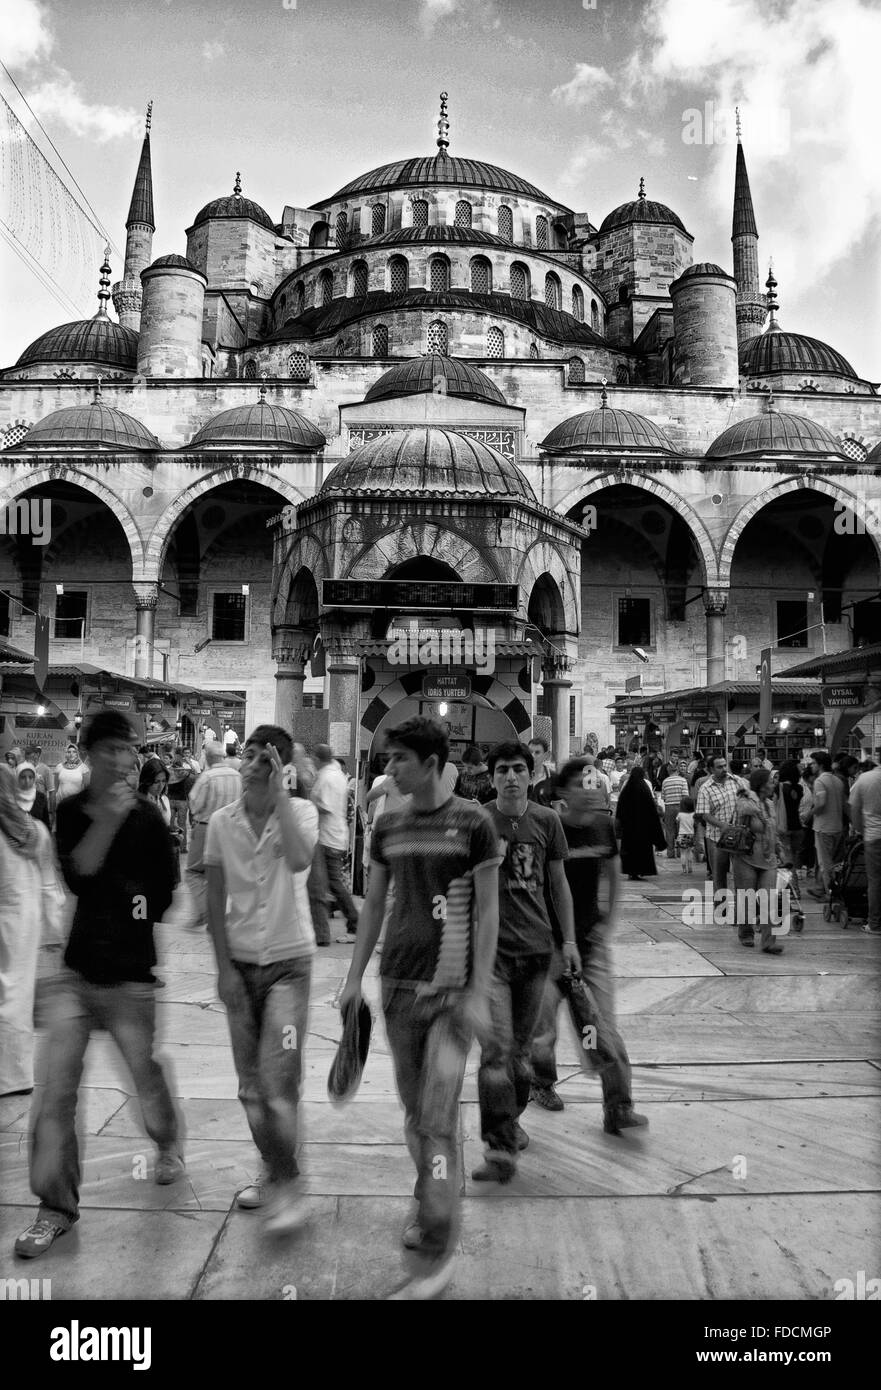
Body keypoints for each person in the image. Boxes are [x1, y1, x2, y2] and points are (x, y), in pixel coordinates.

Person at [340, 716, 500, 1300]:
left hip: (452, 993)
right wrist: (353, 978)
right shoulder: (388, 826)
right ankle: (429, 1188)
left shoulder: (474, 823)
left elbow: (487, 914)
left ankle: (439, 1240)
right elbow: (374, 905)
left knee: (436, 1116)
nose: (389, 770)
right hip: (399, 986)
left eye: (398, 760)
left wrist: (479, 990)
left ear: (432, 762)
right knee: (416, 1115)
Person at [14, 711, 183, 1260]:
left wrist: (134, 906)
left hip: (132, 977)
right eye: (110, 749)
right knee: (55, 1093)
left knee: (145, 1078)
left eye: (128, 750)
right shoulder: (70, 811)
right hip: (77, 974)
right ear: (89, 754)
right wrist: (110, 821)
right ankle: (54, 1207)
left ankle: (165, 1141)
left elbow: (164, 891)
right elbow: (78, 876)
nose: (122, 759)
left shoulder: (150, 820)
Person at [205, 724, 319, 1235]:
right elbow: (213, 897)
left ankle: (287, 1178)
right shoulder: (222, 822)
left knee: (277, 1084)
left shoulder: (300, 814)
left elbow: (298, 861)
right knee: (251, 1088)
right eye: (246, 754)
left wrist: (279, 799)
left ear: (281, 767)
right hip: (241, 965)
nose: (251, 762)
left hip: (289, 967)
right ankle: (274, 1169)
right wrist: (223, 968)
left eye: (264, 757)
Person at [476, 741, 579, 1182]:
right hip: (491, 956)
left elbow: (558, 886)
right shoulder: (478, 820)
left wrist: (569, 940)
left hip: (537, 953)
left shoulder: (548, 821)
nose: (511, 777)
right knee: (495, 1051)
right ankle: (498, 1145)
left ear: (531, 773)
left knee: (519, 1053)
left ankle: (511, 1116)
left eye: (519, 769)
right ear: (492, 776)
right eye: (502, 770)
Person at [530, 762, 647, 1132]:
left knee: (603, 1027)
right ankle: (542, 1082)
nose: (593, 788)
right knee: (543, 1029)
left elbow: (613, 877)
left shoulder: (603, 826)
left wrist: (607, 924)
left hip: (590, 946)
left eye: (595, 782)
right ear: (564, 792)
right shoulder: (549, 828)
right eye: (585, 783)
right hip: (548, 947)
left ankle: (619, 1107)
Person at [0, 765, 56, 1096]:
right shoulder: (32, 830)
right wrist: (53, 931)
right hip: (22, 920)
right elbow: (48, 883)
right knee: (16, 994)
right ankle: (14, 1076)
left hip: (15, 915)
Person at [185, 741, 241, 929]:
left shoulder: (207, 777)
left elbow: (195, 803)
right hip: (230, 829)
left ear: (208, 757)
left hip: (206, 827)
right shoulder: (237, 776)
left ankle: (204, 912)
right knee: (221, 873)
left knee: (193, 871)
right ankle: (216, 918)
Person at [310, 743, 359, 945]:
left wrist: (307, 805)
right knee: (331, 883)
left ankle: (355, 922)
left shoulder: (328, 777)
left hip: (328, 837)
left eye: (313, 758)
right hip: (333, 836)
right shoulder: (336, 774)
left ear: (318, 758)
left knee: (333, 883)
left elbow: (326, 807)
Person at [732, 768, 784, 955]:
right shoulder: (746, 800)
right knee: (746, 898)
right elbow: (742, 810)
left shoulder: (770, 804)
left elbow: (773, 830)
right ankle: (746, 932)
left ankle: (769, 941)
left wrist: (779, 849)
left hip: (768, 857)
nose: (774, 784)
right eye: (771, 782)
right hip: (746, 856)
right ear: (762, 785)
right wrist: (753, 798)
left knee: (769, 899)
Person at [695, 755, 740, 898]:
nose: (724, 769)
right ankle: (721, 908)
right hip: (716, 838)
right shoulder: (705, 789)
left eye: (725, 765)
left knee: (741, 873)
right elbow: (705, 815)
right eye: (719, 767)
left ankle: (742, 909)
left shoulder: (736, 781)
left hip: (738, 836)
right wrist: (722, 825)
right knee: (719, 875)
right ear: (711, 770)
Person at [614, 763, 665, 880]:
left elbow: (621, 807)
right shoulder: (645, 788)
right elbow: (651, 808)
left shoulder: (627, 788)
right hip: (643, 828)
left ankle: (631, 871)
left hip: (629, 828)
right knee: (643, 850)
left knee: (630, 850)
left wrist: (620, 823)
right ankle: (642, 870)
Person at [849, 763, 881, 936]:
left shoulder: (865, 779)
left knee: (875, 881)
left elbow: (854, 808)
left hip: (874, 836)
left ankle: (875, 924)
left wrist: (861, 830)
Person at [808, 751, 845, 900]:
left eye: (813, 763)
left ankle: (830, 895)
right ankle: (829, 889)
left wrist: (809, 814)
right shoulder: (838, 781)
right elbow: (844, 803)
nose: (811, 766)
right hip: (837, 826)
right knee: (835, 863)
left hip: (824, 827)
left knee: (825, 864)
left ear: (820, 765)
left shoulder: (819, 781)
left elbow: (821, 803)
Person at [776, 759, 804, 870]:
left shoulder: (779, 788)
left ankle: (793, 887)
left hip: (784, 826)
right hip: (797, 826)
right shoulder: (799, 788)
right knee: (794, 858)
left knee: (788, 862)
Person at [660, 756, 689, 859]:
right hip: (680, 807)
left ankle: (670, 852)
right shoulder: (682, 780)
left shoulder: (665, 781)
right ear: (676, 770)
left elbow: (663, 797)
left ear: (668, 771)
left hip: (669, 807)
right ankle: (680, 852)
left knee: (669, 830)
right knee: (681, 830)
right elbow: (685, 796)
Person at [16, 763, 51, 830]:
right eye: (23, 777)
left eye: (30, 777)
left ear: (34, 778)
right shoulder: (11, 797)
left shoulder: (41, 797)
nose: (27, 781)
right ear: (17, 778)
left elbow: (46, 824)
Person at [676, 796, 695, 873]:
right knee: (690, 851)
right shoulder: (694, 814)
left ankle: (684, 869)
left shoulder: (680, 815)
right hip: (691, 834)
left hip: (681, 834)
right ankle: (690, 867)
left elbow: (677, 823)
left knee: (683, 853)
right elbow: (695, 824)